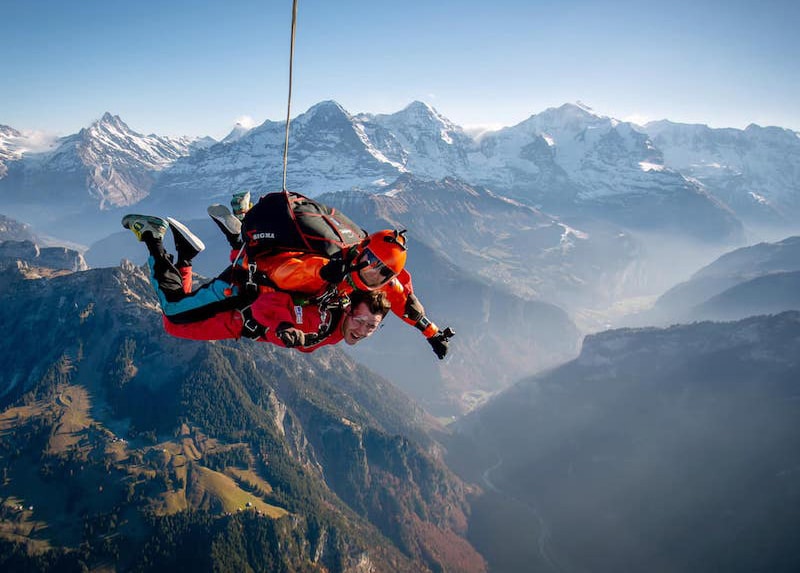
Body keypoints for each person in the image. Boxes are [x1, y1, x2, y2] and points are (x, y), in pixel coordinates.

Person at [205, 193, 454, 359]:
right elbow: (282, 273)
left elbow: (406, 305)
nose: (374, 271)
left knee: (256, 257)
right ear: (363, 252)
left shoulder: (379, 278)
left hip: (292, 269)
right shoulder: (335, 264)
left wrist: (432, 333)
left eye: (383, 272)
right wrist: (322, 273)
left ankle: (244, 220)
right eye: (372, 263)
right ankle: (240, 231)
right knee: (252, 263)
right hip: (277, 271)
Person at [121, 213, 390, 351]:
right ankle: (152, 236)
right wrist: (283, 326)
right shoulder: (324, 320)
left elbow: (398, 288)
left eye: (372, 327)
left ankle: (187, 255)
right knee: (172, 314)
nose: (364, 329)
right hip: (238, 310)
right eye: (361, 320)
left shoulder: (336, 306)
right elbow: (268, 305)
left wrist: (430, 330)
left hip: (245, 298)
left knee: (177, 319)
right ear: (349, 309)